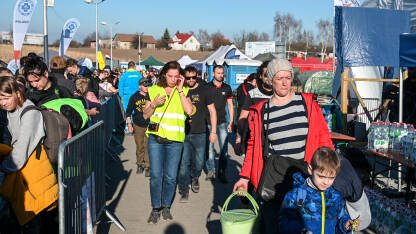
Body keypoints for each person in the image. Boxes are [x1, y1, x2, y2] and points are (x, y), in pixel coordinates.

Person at [233, 58, 334, 234]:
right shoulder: (262, 110)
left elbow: (324, 139)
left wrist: (329, 169)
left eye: (288, 77)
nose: (285, 82)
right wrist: (244, 177)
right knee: (273, 227)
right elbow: (253, 148)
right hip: (274, 182)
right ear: (270, 81)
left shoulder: (307, 104)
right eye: (280, 78)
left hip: (305, 180)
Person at [0, 77, 58, 233]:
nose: (2, 103)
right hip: (24, 177)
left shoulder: (29, 113)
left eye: (6, 98)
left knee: (34, 223)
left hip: (33, 178)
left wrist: (3, 167)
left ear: (18, 94)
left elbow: (19, 153)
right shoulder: (11, 112)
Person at [143, 61, 194, 224]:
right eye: (170, 76)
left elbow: (189, 110)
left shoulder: (184, 90)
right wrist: (154, 105)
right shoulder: (154, 90)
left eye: (176, 77)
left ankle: (166, 206)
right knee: (156, 176)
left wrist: (180, 91)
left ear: (180, 77)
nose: (172, 79)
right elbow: (145, 115)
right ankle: (155, 208)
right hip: (155, 140)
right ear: (164, 74)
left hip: (175, 142)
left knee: (171, 177)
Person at [278, 147, 358, 234]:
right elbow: (285, 221)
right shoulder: (297, 194)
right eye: (321, 176)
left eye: (331, 178)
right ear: (310, 169)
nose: (326, 182)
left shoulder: (335, 196)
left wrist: (345, 225)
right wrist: (300, 231)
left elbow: (341, 217)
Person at [178, 66, 217, 202]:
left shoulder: (204, 90)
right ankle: (184, 189)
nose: (191, 80)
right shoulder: (180, 90)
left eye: (194, 77)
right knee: (184, 163)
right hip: (183, 133)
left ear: (197, 76)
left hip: (200, 132)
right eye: (188, 78)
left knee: (199, 162)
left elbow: (212, 111)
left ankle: (195, 177)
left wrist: (213, 131)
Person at [205, 65, 234, 183]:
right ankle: (211, 171)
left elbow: (230, 105)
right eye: (218, 73)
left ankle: (222, 171)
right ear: (213, 74)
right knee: (210, 149)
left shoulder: (227, 88)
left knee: (223, 149)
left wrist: (231, 121)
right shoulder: (206, 87)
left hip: (222, 122)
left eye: (222, 73)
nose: (221, 75)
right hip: (208, 122)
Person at [126, 77, 152, 177]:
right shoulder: (134, 97)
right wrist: (129, 124)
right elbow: (128, 112)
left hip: (151, 124)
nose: (147, 87)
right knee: (140, 145)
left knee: (148, 146)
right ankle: (140, 164)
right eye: (145, 85)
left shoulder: (152, 95)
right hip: (138, 124)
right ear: (140, 86)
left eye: (148, 85)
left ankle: (148, 166)